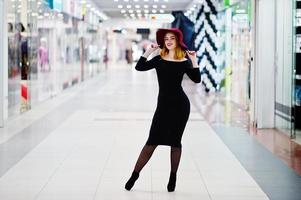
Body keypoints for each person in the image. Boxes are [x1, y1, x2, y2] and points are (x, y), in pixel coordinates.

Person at [125, 28, 201, 192]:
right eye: (166, 38)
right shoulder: (159, 59)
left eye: (172, 38)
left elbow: (197, 79)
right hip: (163, 107)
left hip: (180, 107)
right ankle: (134, 175)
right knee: (151, 142)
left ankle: (173, 177)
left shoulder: (184, 61)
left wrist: (194, 60)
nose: (168, 41)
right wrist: (148, 51)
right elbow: (139, 67)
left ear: (177, 41)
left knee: (175, 143)